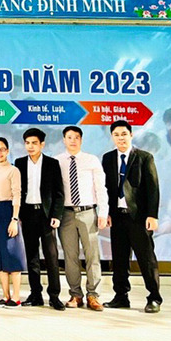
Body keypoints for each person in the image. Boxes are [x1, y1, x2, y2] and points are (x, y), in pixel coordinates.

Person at [102, 120, 162, 314]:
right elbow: (106, 188)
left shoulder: (144, 157)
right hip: (117, 217)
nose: (120, 138)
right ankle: (121, 296)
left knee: (146, 259)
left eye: (124, 134)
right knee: (119, 259)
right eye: (116, 135)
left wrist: (152, 215)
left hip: (139, 217)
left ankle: (154, 298)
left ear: (131, 135)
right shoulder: (108, 158)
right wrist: (106, 212)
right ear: (112, 137)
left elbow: (153, 188)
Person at [57, 126, 108, 311]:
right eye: (69, 137)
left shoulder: (91, 160)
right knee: (70, 256)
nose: (73, 140)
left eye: (76, 137)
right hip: (66, 214)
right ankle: (75, 294)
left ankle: (93, 295)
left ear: (81, 140)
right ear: (64, 140)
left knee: (92, 254)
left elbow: (101, 187)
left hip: (88, 212)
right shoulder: (57, 161)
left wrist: (103, 212)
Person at [14, 128, 65, 311]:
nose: (30, 146)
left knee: (51, 256)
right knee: (32, 257)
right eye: (27, 143)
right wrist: (18, 215)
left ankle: (54, 296)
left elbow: (59, 193)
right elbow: (18, 191)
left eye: (34, 143)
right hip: (28, 215)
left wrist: (56, 215)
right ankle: (35, 294)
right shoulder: (19, 163)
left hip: (47, 216)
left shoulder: (52, 163)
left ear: (42, 144)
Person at [0, 137, 26, 308]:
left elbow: (17, 194)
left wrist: (14, 219)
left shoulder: (13, 170)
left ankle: (16, 297)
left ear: (8, 151)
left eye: (2, 149)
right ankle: (5, 295)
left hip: (8, 210)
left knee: (12, 253)